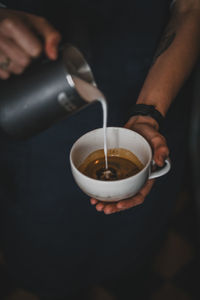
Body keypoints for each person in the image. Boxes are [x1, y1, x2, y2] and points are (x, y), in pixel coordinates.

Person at [0, 0, 199, 299]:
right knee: (45, 239)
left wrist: (149, 113)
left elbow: (191, 9)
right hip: (40, 96)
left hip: (156, 82)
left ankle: (123, 272)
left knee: (133, 233)